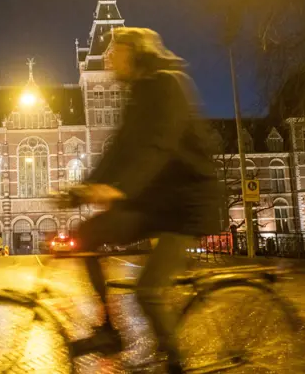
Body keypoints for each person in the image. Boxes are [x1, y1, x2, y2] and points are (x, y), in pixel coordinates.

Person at [68, 27, 221, 373]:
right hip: (153, 201)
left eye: (115, 53)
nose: (110, 60)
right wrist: (80, 189)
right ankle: (108, 329)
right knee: (87, 235)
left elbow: (159, 147)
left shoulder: (168, 84)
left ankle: (176, 366)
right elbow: (118, 149)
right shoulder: (137, 94)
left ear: (136, 53)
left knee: (147, 291)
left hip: (186, 203)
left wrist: (121, 190)